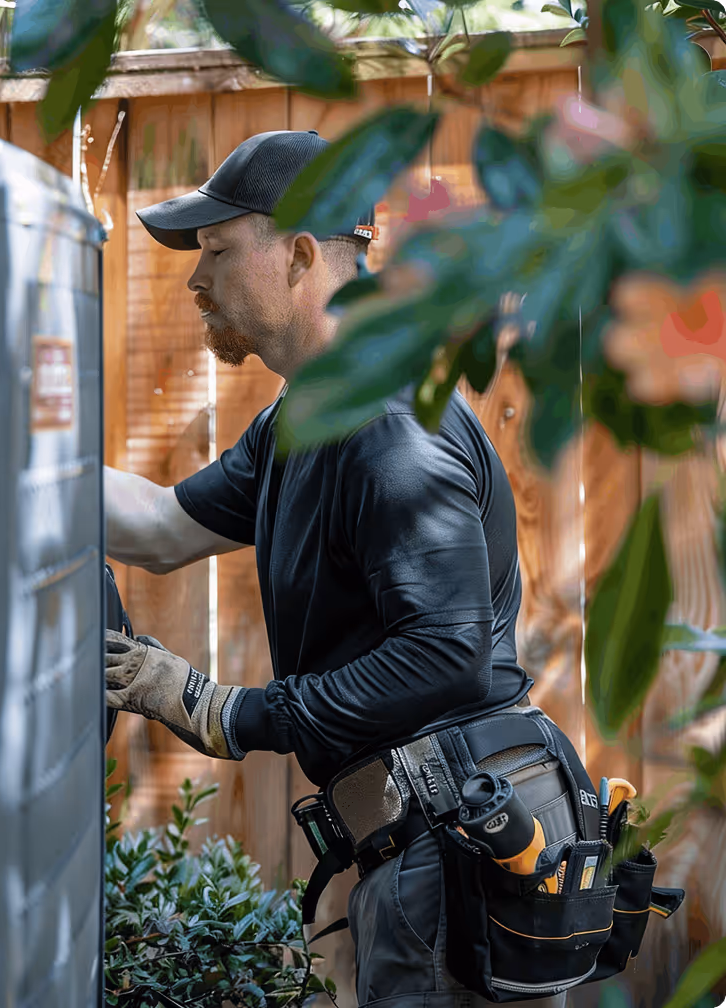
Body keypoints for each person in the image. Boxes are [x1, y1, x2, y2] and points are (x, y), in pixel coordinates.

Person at [103, 129, 569, 1008]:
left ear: (302, 254)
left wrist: (225, 711)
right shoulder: (304, 418)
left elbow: (446, 652)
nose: (194, 281)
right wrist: (15, 465)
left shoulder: (387, 428)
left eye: (216, 252)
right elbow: (161, 526)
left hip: (455, 849)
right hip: (421, 843)